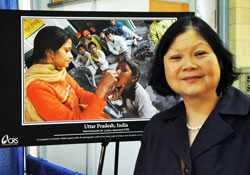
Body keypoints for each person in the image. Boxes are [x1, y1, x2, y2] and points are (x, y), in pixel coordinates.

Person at [134, 16, 250, 175]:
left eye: (200, 53)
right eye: (176, 57)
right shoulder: (156, 128)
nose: (189, 65)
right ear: (163, 67)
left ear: (220, 60)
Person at [24, 26, 119, 122]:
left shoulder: (58, 71)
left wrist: (104, 94)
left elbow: (80, 95)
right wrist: (101, 88)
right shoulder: (36, 88)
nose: (71, 56)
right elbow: (75, 125)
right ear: (50, 52)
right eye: (66, 50)